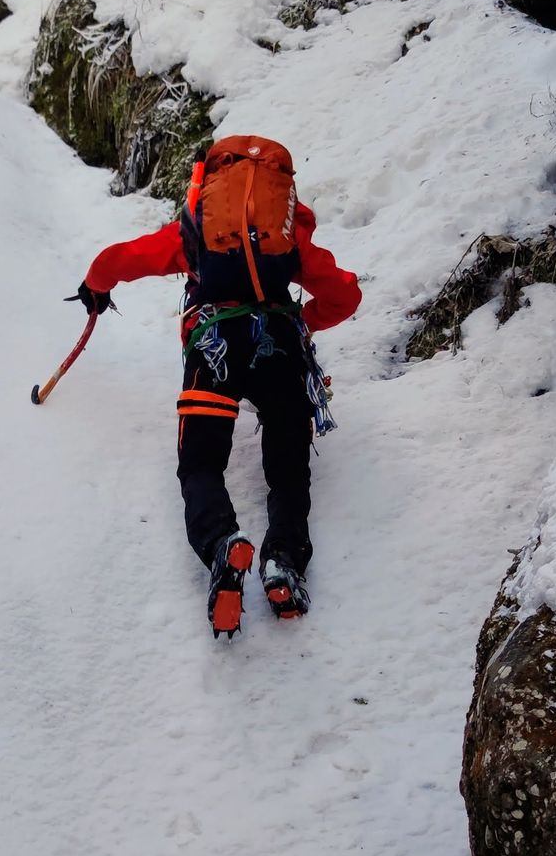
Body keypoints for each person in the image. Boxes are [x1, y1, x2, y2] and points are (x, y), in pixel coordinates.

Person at [72, 134, 360, 639]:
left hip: (214, 349)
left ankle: (223, 545)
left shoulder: (195, 234)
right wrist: (304, 321)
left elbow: (121, 259)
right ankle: (283, 563)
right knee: (288, 474)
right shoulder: (288, 239)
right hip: (279, 349)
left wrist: (96, 287)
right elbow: (345, 295)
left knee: (201, 464)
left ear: (209, 183)